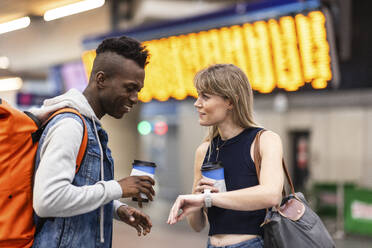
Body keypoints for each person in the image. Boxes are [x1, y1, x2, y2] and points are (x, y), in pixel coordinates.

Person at [30, 36, 155, 248]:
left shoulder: (90, 127)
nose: (135, 98)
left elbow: (80, 188)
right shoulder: (70, 125)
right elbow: (48, 200)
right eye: (129, 88)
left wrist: (115, 208)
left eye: (138, 91)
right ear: (101, 79)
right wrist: (117, 187)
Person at [167, 64, 284, 248]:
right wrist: (196, 198)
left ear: (230, 101)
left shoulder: (265, 140)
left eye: (205, 96)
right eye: (198, 96)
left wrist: (208, 199)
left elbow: (271, 195)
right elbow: (197, 226)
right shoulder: (205, 150)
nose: (197, 103)